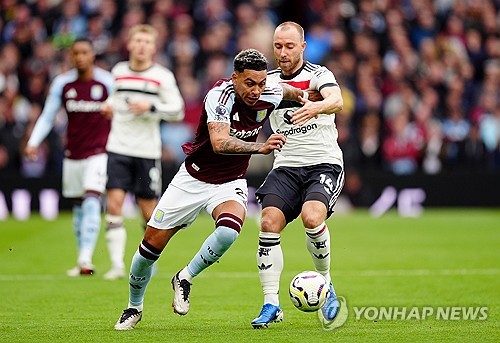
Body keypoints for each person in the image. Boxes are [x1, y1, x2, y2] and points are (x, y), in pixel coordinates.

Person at [113, 48, 310, 330]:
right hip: (192, 179)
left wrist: (315, 98)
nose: (256, 91)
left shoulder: (271, 91)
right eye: (249, 83)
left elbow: (293, 92)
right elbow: (220, 142)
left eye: (261, 83)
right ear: (235, 78)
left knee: (230, 229)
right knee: (149, 249)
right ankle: (134, 307)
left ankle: (185, 276)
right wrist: (260, 147)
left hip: (229, 183)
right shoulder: (220, 96)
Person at [251, 21, 345, 329]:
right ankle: (270, 304)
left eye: (289, 46)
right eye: (278, 46)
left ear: (302, 47)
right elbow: (252, 112)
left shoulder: (319, 75)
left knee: (312, 217)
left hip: (323, 162)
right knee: (267, 222)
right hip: (286, 165)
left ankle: (327, 285)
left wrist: (314, 108)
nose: (283, 52)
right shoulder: (268, 82)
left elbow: (337, 100)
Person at [101, 24, 185, 280]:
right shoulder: (117, 72)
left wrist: (151, 105)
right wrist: (107, 106)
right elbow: (112, 99)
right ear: (129, 44)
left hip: (147, 151)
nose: (141, 46)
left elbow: (177, 110)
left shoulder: (162, 76)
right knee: (114, 205)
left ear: (153, 47)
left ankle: (147, 259)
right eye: (137, 41)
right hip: (118, 147)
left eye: (146, 42)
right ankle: (116, 265)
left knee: (148, 212)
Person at [25, 38, 114, 276]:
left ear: (93, 55)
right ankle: (81, 257)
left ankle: (86, 259)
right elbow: (48, 115)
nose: (80, 57)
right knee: (77, 206)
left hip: (99, 151)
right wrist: (34, 141)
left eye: (85, 52)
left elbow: (121, 111)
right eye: (76, 53)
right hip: (73, 153)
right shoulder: (62, 84)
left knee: (92, 198)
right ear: (71, 57)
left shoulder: (107, 82)